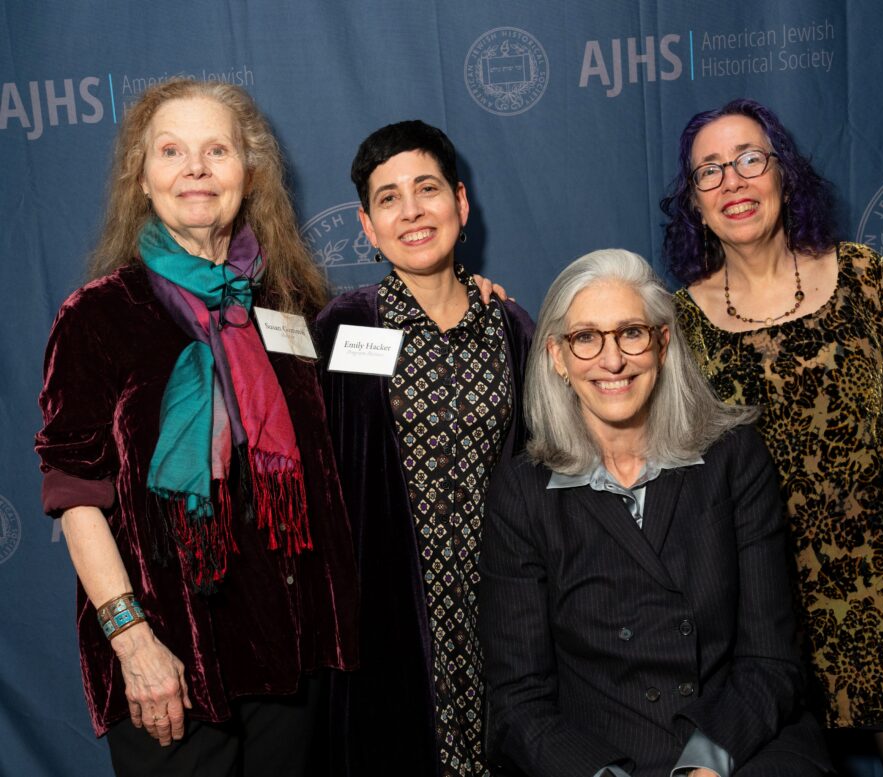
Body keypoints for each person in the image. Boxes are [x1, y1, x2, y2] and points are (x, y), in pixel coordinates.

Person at [35, 78, 359, 776]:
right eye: (171, 151)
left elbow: (368, 399)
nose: (196, 169)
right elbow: (74, 493)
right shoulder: (96, 316)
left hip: (291, 655)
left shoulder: (292, 303)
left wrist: (464, 299)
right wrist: (132, 641)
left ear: (250, 173)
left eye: (217, 150)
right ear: (141, 179)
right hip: (170, 658)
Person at [661, 98, 883, 777]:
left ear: (784, 173)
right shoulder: (677, 325)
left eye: (749, 159)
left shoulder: (866, 278)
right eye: (709, 171)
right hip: (760, 632)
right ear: (693, 203)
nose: (732, 181)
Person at [479, 248, 831, 777]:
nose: (612, 361)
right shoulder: (522, 491)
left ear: (663, 344)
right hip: (602, 757)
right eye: (586, 338)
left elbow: (771, 661)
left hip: (737, 741)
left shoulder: (733, 458)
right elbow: (518, 700)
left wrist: (705, 765)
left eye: (631, 333)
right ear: (557, 357)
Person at [315, 120, 534, 777]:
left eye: (427, 189)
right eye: (389, 198)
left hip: (500, 619)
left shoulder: (510, 326)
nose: (411, 211)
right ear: (367, 226)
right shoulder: (344, 327)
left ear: (460, 203)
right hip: (391, 626)